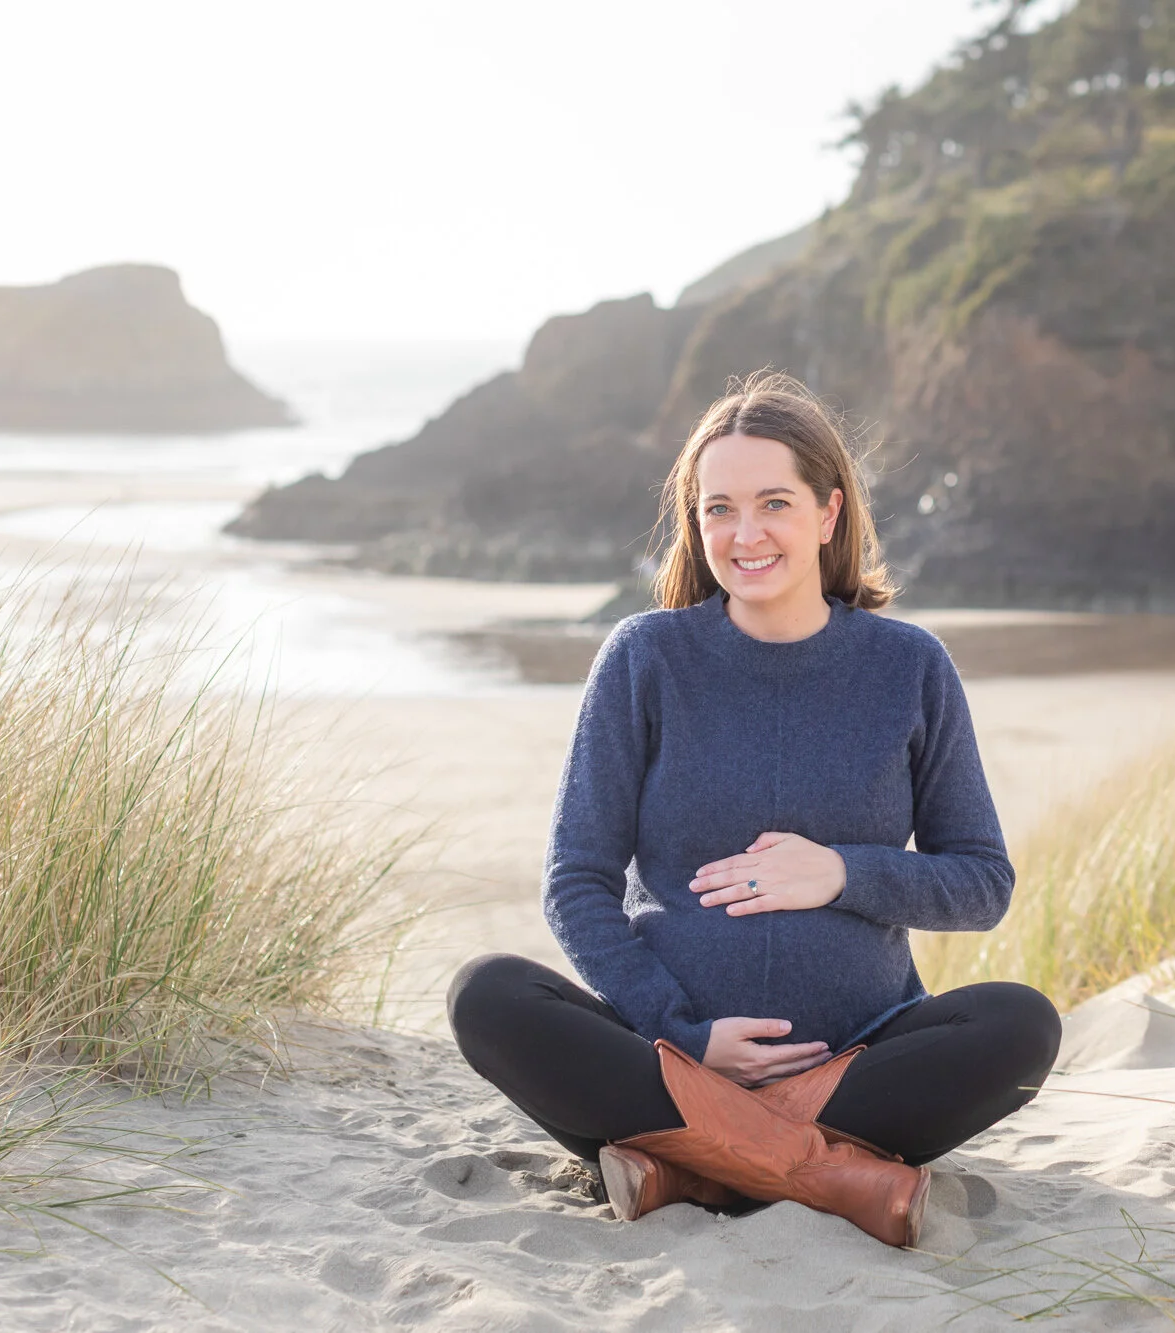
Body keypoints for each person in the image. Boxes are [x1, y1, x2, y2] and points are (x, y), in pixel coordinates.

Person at [446, 371, 1061, 1249]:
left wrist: (844, 871)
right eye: (718, 509)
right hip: (665, 1058)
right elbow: (576, 882)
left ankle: (685, 1165)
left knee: (1021, 1024)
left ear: (829, 512)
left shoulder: (909, 666)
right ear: (695, 524)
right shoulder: (645, 658)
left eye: (774, 502)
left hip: (858, 1062)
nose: (745, 533)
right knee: (488, 992)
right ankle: (824, 1170)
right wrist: (684, 1035)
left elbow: (982, 882)